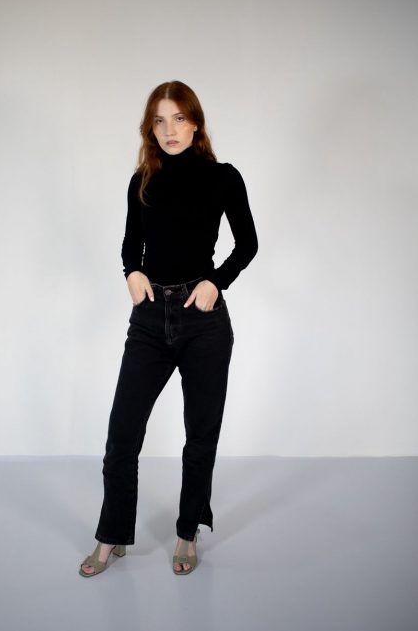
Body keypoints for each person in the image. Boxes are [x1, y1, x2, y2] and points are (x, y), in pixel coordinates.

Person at [79, 80, 258, 577]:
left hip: (204, 321)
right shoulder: (143, 179)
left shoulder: (223, 177)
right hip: (150, 319)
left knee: (200, 436)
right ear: (150, 128)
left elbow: (247, 243)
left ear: (195, 123)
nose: (169, 129)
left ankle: (187, 532)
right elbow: (130, 245)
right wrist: (132, 273)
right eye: (159, 120)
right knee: (122, 435)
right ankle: (111, 536)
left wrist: (216, 282)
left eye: (178, 118)